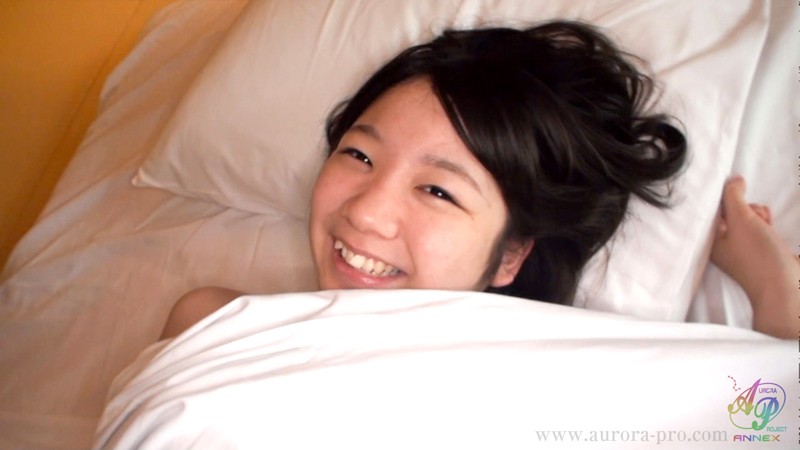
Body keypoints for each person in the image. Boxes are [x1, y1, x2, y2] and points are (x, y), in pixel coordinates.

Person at [160, 21, 794, 341]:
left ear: (511, 255)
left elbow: (765, 418)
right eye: (359, 155)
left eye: (438, 190)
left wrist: (775, 290)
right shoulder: (212, 324)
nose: (367, 212)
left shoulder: (558, 393)